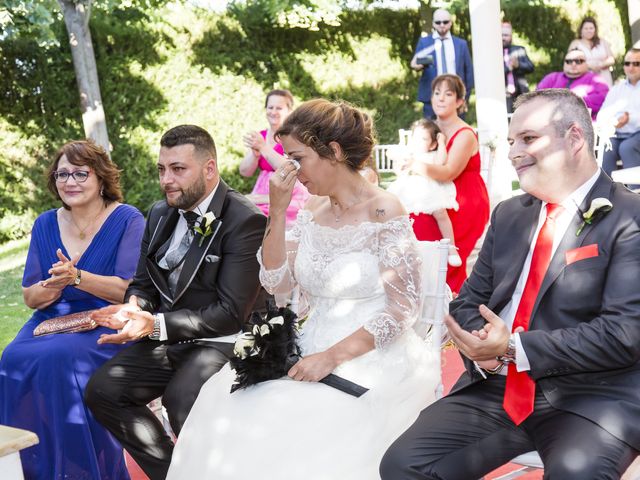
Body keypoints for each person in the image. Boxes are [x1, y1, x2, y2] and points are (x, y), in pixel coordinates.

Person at [166, 99, 439, 480]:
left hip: (369, 353)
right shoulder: (311, 208)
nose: (290, 169)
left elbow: (402, 309)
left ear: (335, 152)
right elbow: (276, 282)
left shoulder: (384, 210)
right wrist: (277, 213)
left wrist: (330, 357)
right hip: (308, 343)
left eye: (298, 157)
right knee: (222, 400)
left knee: (290, 421)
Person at [380, 89, 640, 480]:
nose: (514, 151)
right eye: (511, 141)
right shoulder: (510, 214)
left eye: (528, 139)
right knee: (403, 465)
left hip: (591, 396)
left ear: (574, 138)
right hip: (496, 389)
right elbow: (469, 301)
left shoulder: (628, 217)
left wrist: (515, 348)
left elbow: (623, 335)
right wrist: (484, 348)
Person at [84, 125, 267, 480]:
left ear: (209, 169)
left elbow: (230, 313)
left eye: (178, 169)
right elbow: (142, 283)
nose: (166, 179)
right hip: (170, 336)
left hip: (228, 339)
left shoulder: (245, 220)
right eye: (161, 169)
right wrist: (134, 309)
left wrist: (153, 325)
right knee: (103, 390)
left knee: (182, 398)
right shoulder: (159, 214)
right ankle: (175, 473)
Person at [0, 140, 145, 480]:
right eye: (62, 174)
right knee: (11, 358)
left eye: (81, 173)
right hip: (52, 318)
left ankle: (79, 470)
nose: (70, 181)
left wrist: (78, 277)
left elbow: (126, 288)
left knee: (61, 359)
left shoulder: (126, 219)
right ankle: (31, 468)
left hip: (108, 318)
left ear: (101, 177)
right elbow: (30, 297)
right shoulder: (45, 224)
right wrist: (56, 283)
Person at [409, 74, 489, 294]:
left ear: (460, 102)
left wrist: (415, 165)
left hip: (463, 200)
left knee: (441, 248)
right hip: (435, 195)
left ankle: (449, 301)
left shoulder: (465, 134)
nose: (441, 99)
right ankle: (424, 295)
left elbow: (448, 172)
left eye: (448, 94)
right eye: (436, 93)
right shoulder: (429, 130)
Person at [387, 119, 461, 266]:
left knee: (440, 213)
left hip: (429, 189)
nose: (417, 142)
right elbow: (398, 169)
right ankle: (396, 246)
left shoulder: (431, 155)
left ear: (432, 144)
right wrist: (400, 164)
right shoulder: (409, 154)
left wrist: (441, 143)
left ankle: (451, 248)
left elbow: (440, 162)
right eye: (415, 138)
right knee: (396, 211)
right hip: (409, 189)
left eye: (423, 139)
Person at [240, 89, 309, 225]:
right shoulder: (261, 135)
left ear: (289, 111)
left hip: (289, 190)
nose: (273, 111)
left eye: (279, 108)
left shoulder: (293, 137)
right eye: (270, 107)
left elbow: (290, 168)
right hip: (262, 190)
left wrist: (263, 147)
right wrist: (254, 154)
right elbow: (245, 172)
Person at [411, 8, 474, 119]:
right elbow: (415, 64)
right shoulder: (425, 42)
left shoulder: (460, 44)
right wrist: (419, 63)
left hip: (456, 97)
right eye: (438, 22)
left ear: (450, 23)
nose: (441, 25)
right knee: (433, 133)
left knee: (455, 134)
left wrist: (465, 98)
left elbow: (468, 73)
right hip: (432, 99)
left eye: (445, 22)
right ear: (433, 24)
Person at [597, 48, 640, 188]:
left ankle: (635, 194)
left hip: (637, 133)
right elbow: (602, 114)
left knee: (627, 148)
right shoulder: (617, 89)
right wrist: (613, 121)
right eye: (627, 63)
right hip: (617, 133)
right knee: (606, 147)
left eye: (636, 63)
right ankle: (607, 195)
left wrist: (630, 119)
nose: (631, 67)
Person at [537, 48, 609, 119]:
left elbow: (603, 99)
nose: (573, 64)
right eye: (569, 61)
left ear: (586, 64)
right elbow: (537, 96)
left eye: (578, 61)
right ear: (564, 63)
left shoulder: (596, 79)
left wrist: (571, 101)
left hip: (581, 125)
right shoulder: (552, 78)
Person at [569, 16, 615, 86]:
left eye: (591, 28)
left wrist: (601, 65)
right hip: (584, 79)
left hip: (604, 77)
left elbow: (611, 59)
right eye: (586, 28)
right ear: (581, 30)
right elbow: (570, 61)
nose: (589, 31)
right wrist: (589, 66)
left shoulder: (603, 42)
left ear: (595, 30)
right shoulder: (575, 44)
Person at [502, 21, 534, 113]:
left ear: (511, 36)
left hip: (520, 92)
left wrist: (518, 65)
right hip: (503, 94)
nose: (503, 38)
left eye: (506, 35)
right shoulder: (494, 52)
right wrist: (509, 68)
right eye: (501, 35)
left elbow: (530, 67)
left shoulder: (519, 50)